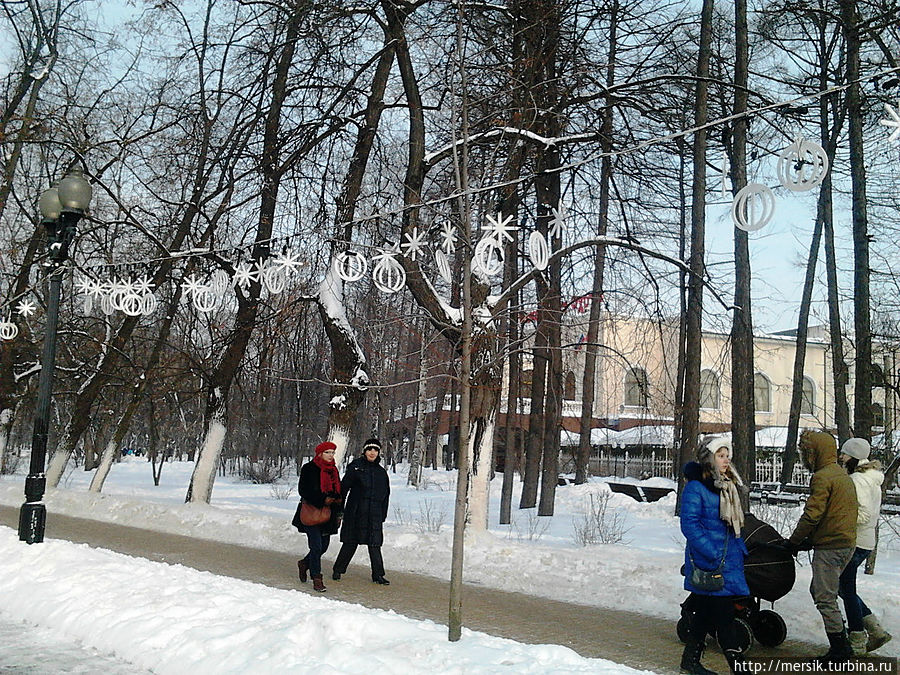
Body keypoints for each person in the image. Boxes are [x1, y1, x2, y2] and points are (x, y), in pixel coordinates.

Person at [786, 430, 857, 665]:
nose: (804, 459)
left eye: (806, 454)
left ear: (813, 453)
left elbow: (812, 515)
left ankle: (841, 650)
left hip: (831, 546)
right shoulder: (840, 474)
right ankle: (842, 642)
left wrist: (794, 541)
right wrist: (811, 539)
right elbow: (834, 514)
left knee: (824, 597)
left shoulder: (823, 477)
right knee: (821, 591)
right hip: (844, 543)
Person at [680, 436, 749, 675]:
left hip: (727, 560)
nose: (726, 460)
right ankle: (740, 668)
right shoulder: (696, 488)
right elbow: (689, 525)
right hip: (709, 561)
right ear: (709, 460)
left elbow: (732, 525)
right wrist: (713, 552)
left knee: (706, 614)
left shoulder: (726, 485)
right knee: (724, 616)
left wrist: (739, 551)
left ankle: (690, 661)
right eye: (721, 456)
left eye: (727, 455)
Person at [837, 437, 893, 655]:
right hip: (866, 541)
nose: (841, 457)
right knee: (845, 588)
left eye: (844, 454)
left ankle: (857, 638)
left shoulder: (858, 481)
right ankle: (875, 630)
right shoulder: (870, 479)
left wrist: (841, 519)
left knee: (846, 589)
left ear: (854, 457)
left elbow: (863, 513)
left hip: (856, 541)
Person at [332, 438, 391, 585]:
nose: (372, 452)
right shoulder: (356, 467)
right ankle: (338, 570)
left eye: (375, 450)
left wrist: (382, 514)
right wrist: (340, 509)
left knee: (375, 545)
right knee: (350, 543)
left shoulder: (381, 472)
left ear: (379, 453)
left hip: (374, 514)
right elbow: (343, 489)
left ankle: (378, 575)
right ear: (364, 451)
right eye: (370, 449)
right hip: (356, 512)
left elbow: (386, 495)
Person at [297, 440, 342, 592]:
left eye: (332, 453)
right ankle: (317, 578)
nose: (330, 455)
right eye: (327, 452)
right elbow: (303, 490)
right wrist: (322, 499)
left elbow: (339, 492)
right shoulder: (309, 468)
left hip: (328, 515)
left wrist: (339, 508)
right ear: (319, 453)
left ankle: (304, 563)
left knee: (323, 547)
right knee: (316, 547)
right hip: (312, 512)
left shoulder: (333, 471)